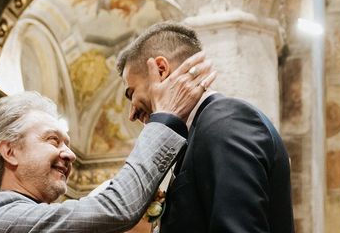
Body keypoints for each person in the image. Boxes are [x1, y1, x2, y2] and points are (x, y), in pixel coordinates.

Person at [0, 52, 216, 233]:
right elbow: (116, 207)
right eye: (53, 140)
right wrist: (166, 118)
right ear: (10, 152)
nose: (70, 154)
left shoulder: (39, 217)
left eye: (67, 143)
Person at [117, 21, 295, 233]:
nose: (131, 114)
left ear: (161, 70)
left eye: (131, 93)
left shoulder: (225, 121)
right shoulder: (202, 130)